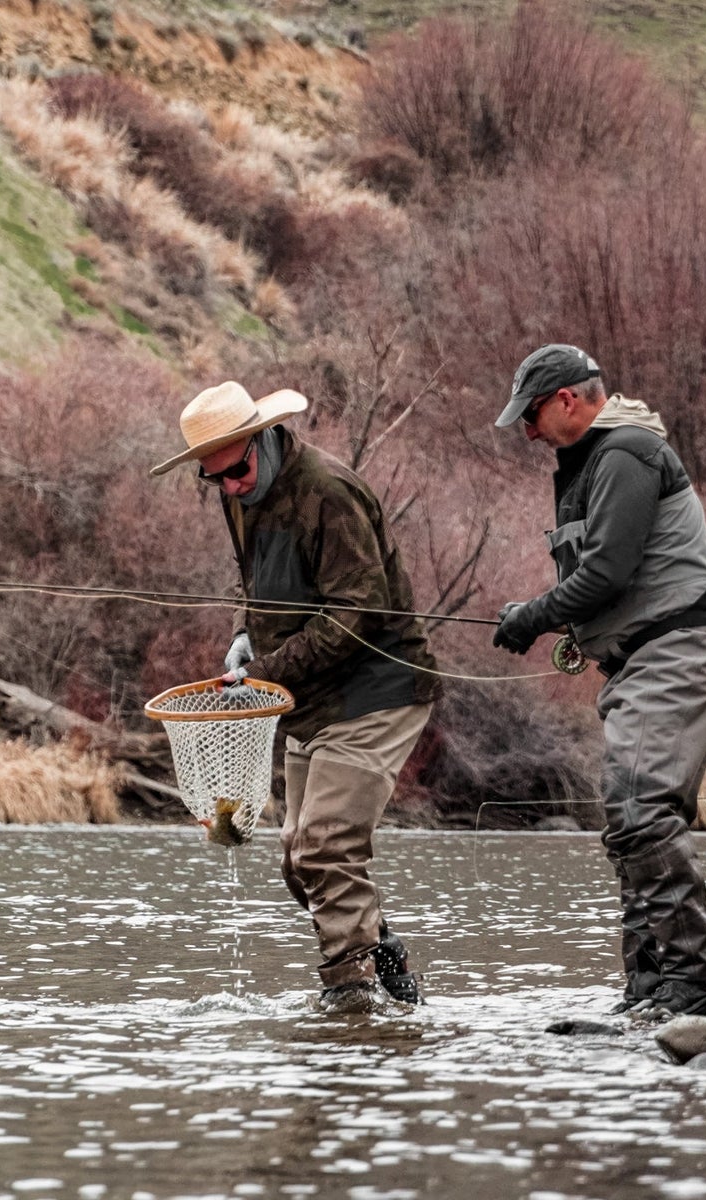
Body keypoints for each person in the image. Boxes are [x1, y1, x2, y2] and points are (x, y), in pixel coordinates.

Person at [151, 381, 440, 1013]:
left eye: (238, 472)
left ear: (262, 441)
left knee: (326, 846)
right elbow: (248, 581)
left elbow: (357, 612)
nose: (231, 488)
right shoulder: (240, 495)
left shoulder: (329, 493)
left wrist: (268, 672)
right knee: (297, 862)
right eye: (215, 480)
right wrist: (243, 634)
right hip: (308, 698)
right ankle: (379, 950)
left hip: (380, 689)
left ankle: (351, 997)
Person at [491, 344, 706, 1019]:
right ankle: (650, 988)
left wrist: (532, 619)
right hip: (646, 655)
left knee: (640, 814)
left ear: (568, 400)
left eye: (533, 415)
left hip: (680, 645)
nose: (528, 431)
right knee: (631, 820)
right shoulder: (595, 461)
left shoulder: (626, 451)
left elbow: (607, 573)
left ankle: (699, 986)